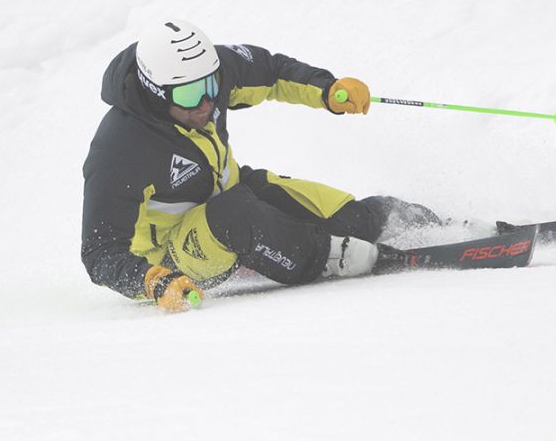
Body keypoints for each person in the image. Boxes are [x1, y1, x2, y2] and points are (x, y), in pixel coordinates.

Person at [81, 20, 441, 312]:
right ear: (156, 92)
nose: (206, 103)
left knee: (348, 217)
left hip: (230, 193)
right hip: (176, 253)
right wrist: (153, 280)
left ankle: (434, 224)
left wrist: (327, 89)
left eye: (210, 85)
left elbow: (271, 72)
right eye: (190, 95)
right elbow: (100, 252)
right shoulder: (119, 150)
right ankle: (336, 256)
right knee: (235, 215)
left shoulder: (205, 73)